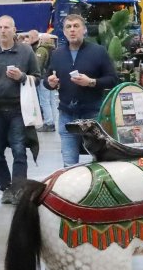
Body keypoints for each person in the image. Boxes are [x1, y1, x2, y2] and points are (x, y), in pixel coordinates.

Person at [0, 16, 42, 204]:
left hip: (18, 107)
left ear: (14, 30)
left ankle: (19, 189)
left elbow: (37, 78)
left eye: (7, 27)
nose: (3, 30)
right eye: (0, 27)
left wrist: (22, 77)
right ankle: (5, 187)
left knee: (19, 149)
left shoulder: (26, 51)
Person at [45, 13, 118, 166]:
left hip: (93, 114)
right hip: (66, 114)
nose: (72, 30)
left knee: (100, 161)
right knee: (69, 164)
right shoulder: (57, 54)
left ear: (84, 30)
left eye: (76, 26)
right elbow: (47, 79)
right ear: (64, 32)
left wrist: (91, 82)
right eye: (68, 27)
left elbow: (112, 79)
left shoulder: (98, 52)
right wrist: (50, 83)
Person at [25, 29, 59, 132]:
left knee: (44, 101)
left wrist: (35, 76)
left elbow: (38, 65)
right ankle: (54, 122)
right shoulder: (54, 50)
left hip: (44, 79)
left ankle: (48, 123)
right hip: (52, 78)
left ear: (42, 40)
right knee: (52, 101)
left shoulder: (41, 50)